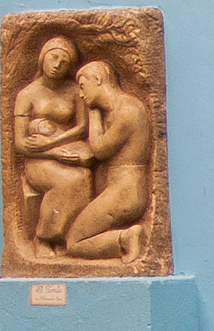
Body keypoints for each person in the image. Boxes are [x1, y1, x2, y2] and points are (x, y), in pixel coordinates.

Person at [12, 35, 94, 254]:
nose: (57, 65)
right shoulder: (26, 94)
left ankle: (67, 236)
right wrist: (55, 153)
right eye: (54, 57)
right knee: (68, 181)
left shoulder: (74, 90)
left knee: (84, 176)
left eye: (64, 62)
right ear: (42, 58)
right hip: (39, 161)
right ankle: (43, 238)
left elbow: (81, 127)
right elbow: (20, 144)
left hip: (64, 148)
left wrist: (54, 142)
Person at [65, 61, 150, 262]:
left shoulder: (127, 109)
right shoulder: (118, 109)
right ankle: (124, 238)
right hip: (122, 187)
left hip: (126, 191)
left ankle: (125, 239)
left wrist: (92, 113)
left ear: (98, 79)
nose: (81, 94)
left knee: (74, 242)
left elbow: (100, 150)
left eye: (83, 86)